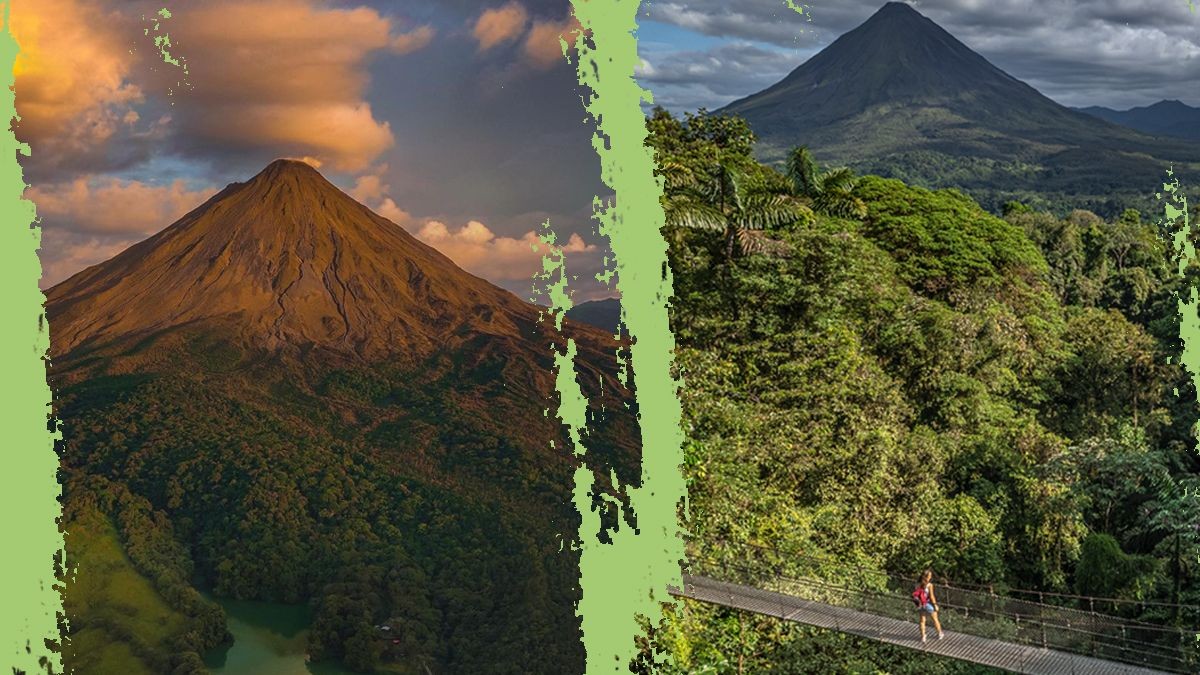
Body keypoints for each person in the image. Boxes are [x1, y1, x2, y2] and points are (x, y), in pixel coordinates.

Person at [912, 568, 944, 643]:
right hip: (928, 604)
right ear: (927, 577)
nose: (930, 577)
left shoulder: (917, 584)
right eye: (930, 576)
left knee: (922, 621)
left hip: (920, 604)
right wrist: (935, 605)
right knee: (935, 619)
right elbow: (932, 596)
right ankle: (940, 633)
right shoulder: (929, 585)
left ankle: (923, 636)